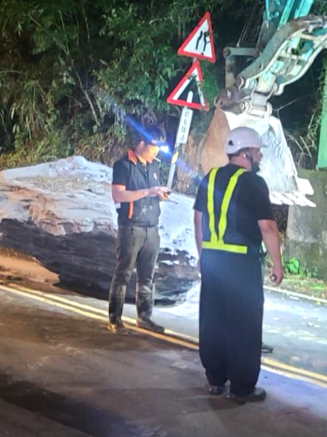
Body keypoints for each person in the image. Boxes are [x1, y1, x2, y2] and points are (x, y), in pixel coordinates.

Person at [192, 127, 284, 403]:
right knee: (244, 323)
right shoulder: (254, 183)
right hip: (241, 262)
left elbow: (198, 219)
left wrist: (202, 255)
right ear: (246, 153)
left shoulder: (210, 177)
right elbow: (267, 226)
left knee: (213, 320)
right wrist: (277, 265)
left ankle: (216, 379)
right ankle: (242, 387)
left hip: (212, 260)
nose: (260, 157)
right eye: (257, 152)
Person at [109, 124, 172, 335]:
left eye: (159, 148)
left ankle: (145, 317)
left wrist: (159, 193)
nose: (156, 151)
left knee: (147, 276)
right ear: (142, 143)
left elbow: (153, 191)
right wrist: (148, 192)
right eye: (154, 146)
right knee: (123, 274)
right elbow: (118, 195)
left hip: (151, 228)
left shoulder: (154, 166)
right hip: (130, 227)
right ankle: (115, 319)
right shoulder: (123, 165)